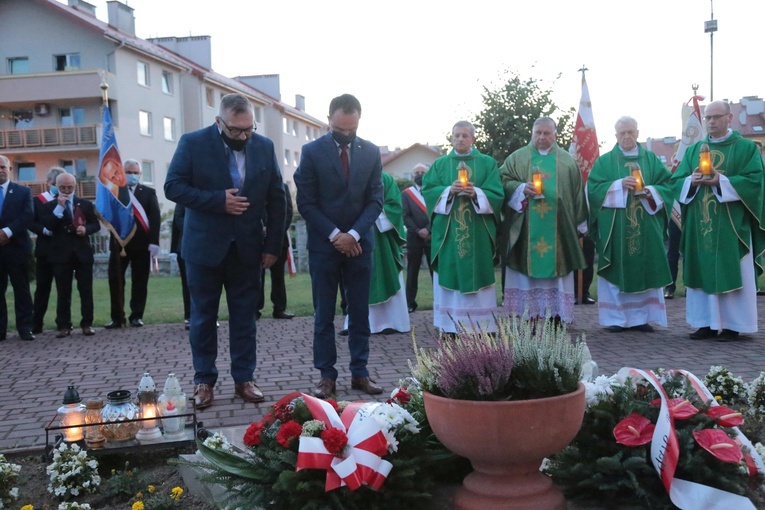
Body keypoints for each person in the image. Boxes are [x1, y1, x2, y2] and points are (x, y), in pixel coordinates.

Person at [165, 93, 286, 408]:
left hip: (248, 250)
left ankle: (244, 379)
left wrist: (273, 245)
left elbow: (277, 198)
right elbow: (173, 186)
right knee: (203, 318)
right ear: (219, 122)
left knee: (245, 318)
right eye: (235, 130)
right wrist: (218, 200)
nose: (243, 136)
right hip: (204, 249)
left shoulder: (264, 146)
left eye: (248, 129)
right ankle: (204, 381)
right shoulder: (193, 143)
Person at [295, 93, 384, 399]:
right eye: (340, 128)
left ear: (359, 120)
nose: (346, 134)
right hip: (324, 246)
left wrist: (355, 234)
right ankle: (327, 376)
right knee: (323, 314)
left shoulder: (371, 152)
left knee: (359, 312)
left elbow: (375, 199)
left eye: (351, 128)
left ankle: (360, 372)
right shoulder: (311, 152)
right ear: (329, 118)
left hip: (359, 247)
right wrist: (336, 234)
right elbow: (305, 201)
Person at [670, 100, 765, 341]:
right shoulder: (694, 150)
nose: (711, 122)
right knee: (701, 269)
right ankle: (705, 323)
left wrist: (721, 182)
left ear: (729, 118)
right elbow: (676, 181)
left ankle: (733, 325)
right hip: (700, 224)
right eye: (708, 118)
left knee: (732, 267)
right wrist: (691, 180)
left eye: (716, 117)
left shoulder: (746, 148)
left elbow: (755, 182)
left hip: (732, 225)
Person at [587, 116, 673, 333]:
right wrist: (617, 186)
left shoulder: (651, 159)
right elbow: (593, 190)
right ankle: (615, 318)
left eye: (630, 132)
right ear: (615, 136)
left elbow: (668, 186)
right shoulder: (605, 161)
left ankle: (641, 318)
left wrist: (651, 191)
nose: (627, 137)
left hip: (646, 227)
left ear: (637, 133)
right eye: (622, 133)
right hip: (615, 228)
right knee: (616, 266)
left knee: (646, 267)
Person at [498, 117, 587, 324]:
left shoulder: (567, 161)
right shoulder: (516, 158)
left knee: (558, 271)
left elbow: (578, 195)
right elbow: (502, 181)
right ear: (532, 133)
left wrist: (580, 225)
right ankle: (527, 314)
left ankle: (556, 316)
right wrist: (520, 188)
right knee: (525, 272)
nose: (542, 137)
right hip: (525, 228)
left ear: (555, 135)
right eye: (538, 133)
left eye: (547, 133)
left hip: (559, 229)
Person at [422, 121, 503, 334]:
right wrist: (448, 190)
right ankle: (450, 325)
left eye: (465, 135)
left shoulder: (487, 163)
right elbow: (428, 191)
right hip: (449, 236)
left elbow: (497, 194)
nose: (460, 139)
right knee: (450, 273)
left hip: (478, 233)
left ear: (473, 139)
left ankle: (483, 325)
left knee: (478, 273)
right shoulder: (440, 164)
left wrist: (478, 193)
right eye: (456, 135)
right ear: (451, 138)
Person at [345, 172, 409, 334]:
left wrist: (370, 214)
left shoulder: (386, 179)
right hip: (356, 234)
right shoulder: (350, 176)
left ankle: (391, 321)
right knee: (357, 277)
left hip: (382, 238)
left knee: (386, 273)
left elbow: (394, 206)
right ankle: (354, 323)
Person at [41, 172, 100, 338]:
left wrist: (86, 229)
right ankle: (64, 325)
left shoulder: (85, 204)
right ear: (56, 187)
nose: (67, 190)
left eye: (70, 187)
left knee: (86, 290)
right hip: (61, 254)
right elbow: (49, 226)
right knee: (63, 291)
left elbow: (96, 225)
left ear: (75, 186)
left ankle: (87, 323)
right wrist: (59, 206)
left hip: (82, 253)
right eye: (62, 187)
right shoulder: (49, 206)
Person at [104, 159, 161, 329]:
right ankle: (117, 317)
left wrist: (154, 242)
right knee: (115, 281)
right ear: (122, 172)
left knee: (140, 281)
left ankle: (136, 316)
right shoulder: (115, 191)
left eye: (136, 173)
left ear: (140, 174)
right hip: (119, 244)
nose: (133, 175)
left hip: (142, 245)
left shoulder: (148, 192)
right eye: (129, 172)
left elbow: (155, 218)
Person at [0, 155, 35, 341]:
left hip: (18, 249)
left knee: (21, 290)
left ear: (10, 168)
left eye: (2, 167)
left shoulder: (23, 192)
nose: (0, 170)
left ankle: (25, 328)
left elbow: (28, 215)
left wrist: (7, 232)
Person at [29, 166, 65, 334]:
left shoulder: (67, 200)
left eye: (60, 184)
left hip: (62, 251)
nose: (57, 187)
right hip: (44, 250)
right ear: (48, 183)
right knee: (42, 289)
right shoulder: (38, 200)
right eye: (54, 183)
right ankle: (36, 323)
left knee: (63, 288)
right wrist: (43, 230)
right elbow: (31, 222)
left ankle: (62, 322)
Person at [257, 182, 295, 320]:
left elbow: (288, 212)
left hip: (278, 240)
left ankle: (279, 309)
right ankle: (255, 310)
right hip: (255, 239)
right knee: (256, 276)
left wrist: (274, 232)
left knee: (278, 276)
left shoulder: (282, 187)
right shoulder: (252, 184)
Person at [402, 163, 432, 313]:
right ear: (413, 176)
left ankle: (439, 302)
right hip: (414, 238)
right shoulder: (407, 194)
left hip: (432, 237)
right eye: (417, 172)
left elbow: (437, 212)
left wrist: (428, 229)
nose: (420, 174)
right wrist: (418, 230)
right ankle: (410, 303)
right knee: (412, 271)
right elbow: (405, 216)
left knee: (436, 271)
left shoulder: (433, 191)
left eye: (423, 172)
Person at [170, 203, 191, 330]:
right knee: (188, 284)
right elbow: (177, 219)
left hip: (208, 246)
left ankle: (211, 317)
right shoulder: (183, 200)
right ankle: (189, 316)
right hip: (185, 247)